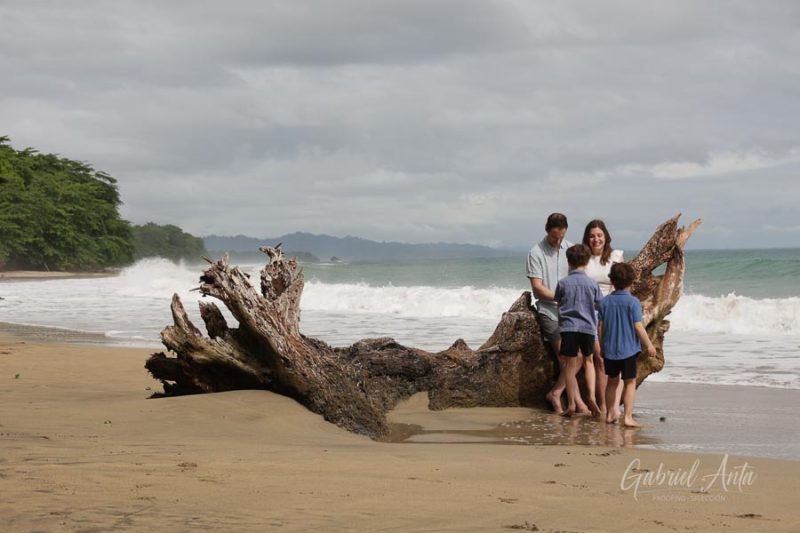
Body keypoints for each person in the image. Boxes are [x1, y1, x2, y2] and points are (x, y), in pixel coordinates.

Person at [526, 213, 574, 414]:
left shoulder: (570, 249)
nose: (558, 240)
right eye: (555, 237)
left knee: (577, 356)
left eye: (561, 236)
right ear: (548, 230)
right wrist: (560, 298)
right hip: (549, 310)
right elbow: (538, 288)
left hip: (571, 311)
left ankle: (560, 393)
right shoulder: (536, 252)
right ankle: (559, 396)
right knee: (565, 356)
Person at [598, 262, 656, 427]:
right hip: (629, 350)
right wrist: (649, 345)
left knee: (612, 381)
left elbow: (600, 327)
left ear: (612, 281)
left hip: (609, 350)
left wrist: (602, 346)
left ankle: (610, 414)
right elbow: (638, 326)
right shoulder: (633, 302)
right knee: (630, 382)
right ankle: (628, 417)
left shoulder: (604, 302)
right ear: (632, 281)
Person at [554, 244, 603, 416]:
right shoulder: (592, 284)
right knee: (589, 361)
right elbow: (599, 304)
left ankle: (572, 404)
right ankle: (591, 398)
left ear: (569, 262)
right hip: (588, 327)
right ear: (587, 261)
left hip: (568, 327)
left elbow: (558, 301)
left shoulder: (563, 283)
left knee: (570, 365)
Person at [582, 219, 624, 414]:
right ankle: (604, 407)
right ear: (587, 239)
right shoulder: (583, 258)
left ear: (606, 236)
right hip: (590, 312)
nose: (596, 239)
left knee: (614, 358)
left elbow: (623, 284)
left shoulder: (616, 256)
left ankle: (615, 406)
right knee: (599, 358)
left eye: (599, 235)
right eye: (592, 236)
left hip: (612, 311)